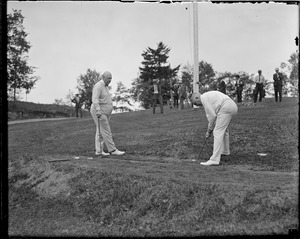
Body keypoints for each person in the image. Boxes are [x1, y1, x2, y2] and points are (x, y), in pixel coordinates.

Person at [190, 91, 238, 166]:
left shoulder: (204, 99)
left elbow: (212, 117)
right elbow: (214, 116)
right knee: (224, 130)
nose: (198, 105)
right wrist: (210, 130)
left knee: (217, 131)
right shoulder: (207, 96)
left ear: (197, 97)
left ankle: (214, 160)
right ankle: (225, 152)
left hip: (226, 106)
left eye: (195, 103)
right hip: (232, 106)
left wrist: (209, 131)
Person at [90, 71, 125, 156]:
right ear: (103, 77)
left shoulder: (105, 87)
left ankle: (99, 151)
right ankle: (112, 150)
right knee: (106, 130)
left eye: (111, 78)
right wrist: (98, 110)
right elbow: (95, 99)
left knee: (100, 131)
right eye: (108, 78)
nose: (110, 80)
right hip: (99, 111)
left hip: (105, 112)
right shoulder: (98, 86)